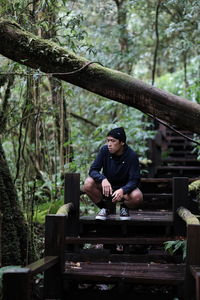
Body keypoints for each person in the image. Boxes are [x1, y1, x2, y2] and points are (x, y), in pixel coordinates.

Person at [83, 127, 143, 220]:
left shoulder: (131, 155)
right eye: (108, 141)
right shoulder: (104, 150)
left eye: (113, 141)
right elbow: (93, 170)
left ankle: (124, 208)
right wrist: (102, 179)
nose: (109, 144)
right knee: (88, 183)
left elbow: (134, 180)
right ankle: (105, 208)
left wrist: (123, 190)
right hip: (107, 187)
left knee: (137, 196)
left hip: (124, 190)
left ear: (122, 142)